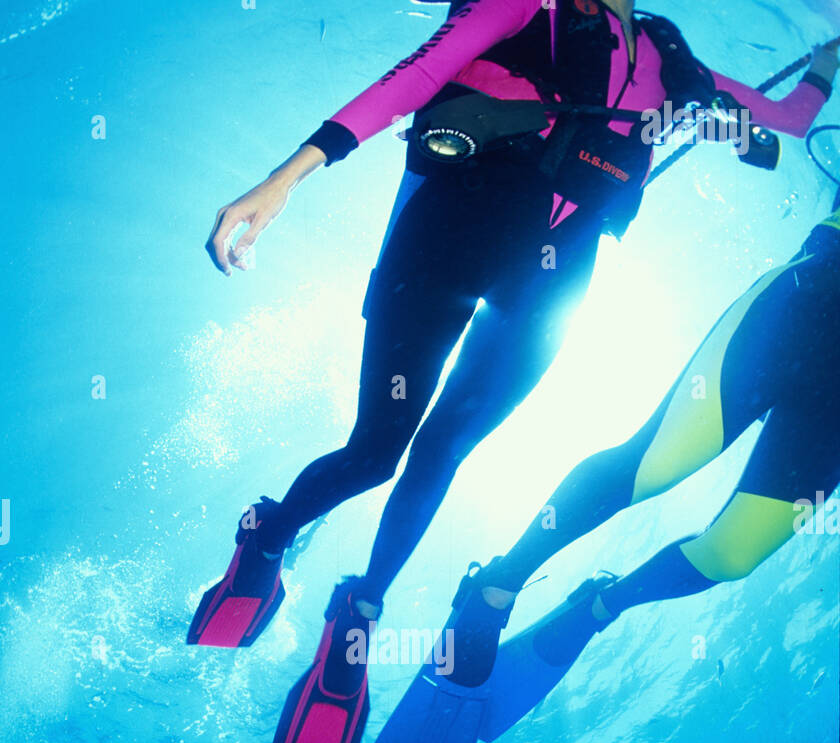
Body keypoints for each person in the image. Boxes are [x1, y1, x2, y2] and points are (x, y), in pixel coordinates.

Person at [189, 0, 836, 650]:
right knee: (376, 453)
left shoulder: (670, 58)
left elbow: (786, 118)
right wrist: (286, 178)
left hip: (552, 281)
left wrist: (825, 63)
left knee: (444, 451)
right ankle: (270, 535)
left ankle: (364, 601)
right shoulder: (531, 4)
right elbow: (416, 77)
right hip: (454, 229)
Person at [355, 195, 840, 743]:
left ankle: (600, 604)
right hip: (814, 297)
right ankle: (501, 583)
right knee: (653, 466)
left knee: (733, 554)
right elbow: (797, 109)